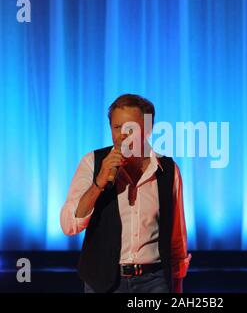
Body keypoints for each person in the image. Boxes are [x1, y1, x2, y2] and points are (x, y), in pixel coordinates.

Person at [60, 94, 191, 293]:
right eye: (117, 127)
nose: (122, 134)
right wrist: (99, 182)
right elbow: (69, 226)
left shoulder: (168, 170)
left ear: (148, 130)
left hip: (154, 281)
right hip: (103, 281)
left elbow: (176, 234)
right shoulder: (93, 163)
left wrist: (177, 280)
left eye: (130, 128)